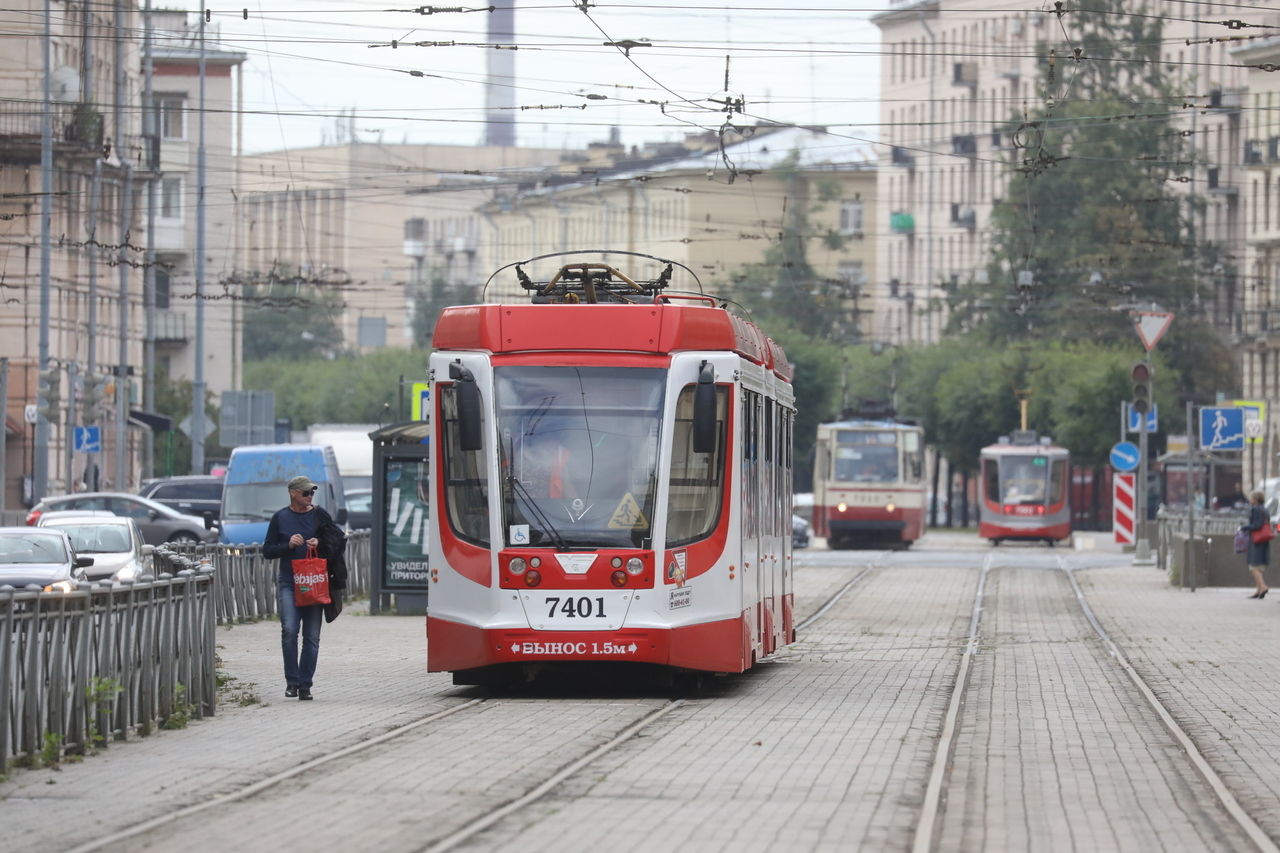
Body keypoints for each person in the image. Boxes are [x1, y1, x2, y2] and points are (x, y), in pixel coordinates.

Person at [262, 475, 346, 699]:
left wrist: (320, 543)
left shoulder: (319, 515)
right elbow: (267, 550)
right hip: (289, 583)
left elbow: (338, 540)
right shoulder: (280, 517)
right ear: (293, 493)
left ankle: (305, 685)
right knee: (289, 631)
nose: (310, 497)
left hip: (314, 583)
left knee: (312, 637)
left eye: (312, 493)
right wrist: (288, 545)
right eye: (306, 493)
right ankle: (292, 681)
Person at [1242, 490, 1270, 600]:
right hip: (1264, 539)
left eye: (1251, 498)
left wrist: (1244, 528)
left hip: (1256, 539)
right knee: (1259, 566)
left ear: (1255, 499)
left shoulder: (1255, 509)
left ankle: (1263, 587)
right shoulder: (1265, 509)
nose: (1250, 500)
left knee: (1253, 566)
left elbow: (1256, 525)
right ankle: (1258, 590)